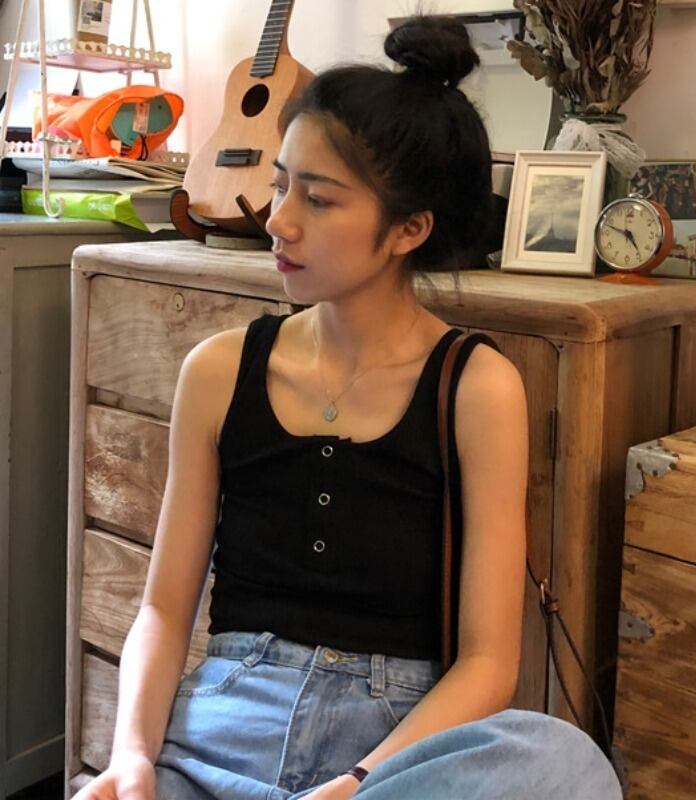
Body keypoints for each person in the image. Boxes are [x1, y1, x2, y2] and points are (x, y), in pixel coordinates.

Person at [74, 16, 622, 800]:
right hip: (224, 724)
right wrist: (130, 756)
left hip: (393, 750)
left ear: (410, 228)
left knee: (565, 761)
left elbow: (488, 664)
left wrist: (359, 782)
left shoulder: (476, 387)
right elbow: (163, 609)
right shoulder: (218, 371)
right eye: (280, 184)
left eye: (319, 199)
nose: (279, 219)